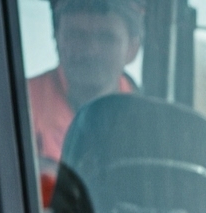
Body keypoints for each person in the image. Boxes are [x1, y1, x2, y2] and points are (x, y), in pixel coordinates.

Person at [28, 0, 143, 183]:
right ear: (56, 38)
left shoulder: (149, 123)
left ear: (132, 49)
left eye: (106, 37)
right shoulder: (16, 104)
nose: (90, 50)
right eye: (76, 35)